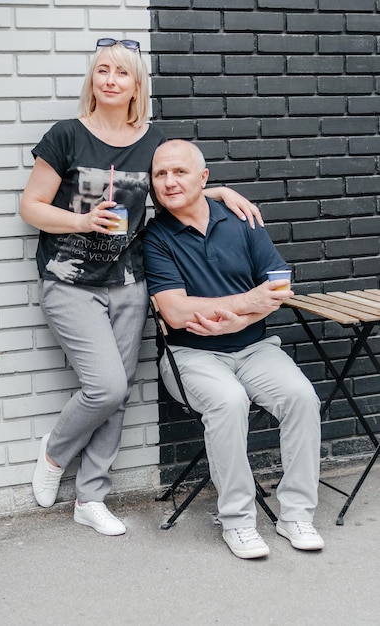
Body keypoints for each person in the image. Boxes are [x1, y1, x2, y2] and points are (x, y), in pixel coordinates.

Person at [20, 38, 260, 536]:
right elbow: (31, 206)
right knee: (104, 386)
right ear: (93, 79)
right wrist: (82, 222)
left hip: (129, 282)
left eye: (121, 73)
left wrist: (217, 189)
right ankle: (55, 451)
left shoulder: (152, 141)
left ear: (136, 85)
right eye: (102, 70)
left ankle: (91, 497)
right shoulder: (66, 135)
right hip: (69, 280)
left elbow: (174, 186)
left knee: (120, 391)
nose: (110, 79)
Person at [143, 139, 324, 558]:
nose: (169, 182)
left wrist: (237, 318)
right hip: (190, 355)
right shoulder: (155, 238)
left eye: (180, 172)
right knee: (228, 401)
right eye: (160, 174)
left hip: (255, 347)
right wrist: (246, 303)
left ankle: (296, 514)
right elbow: (174, 311)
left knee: (300, 397)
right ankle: (238, 521)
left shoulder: (242, 218)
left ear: (204, 178)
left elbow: (278, 285)